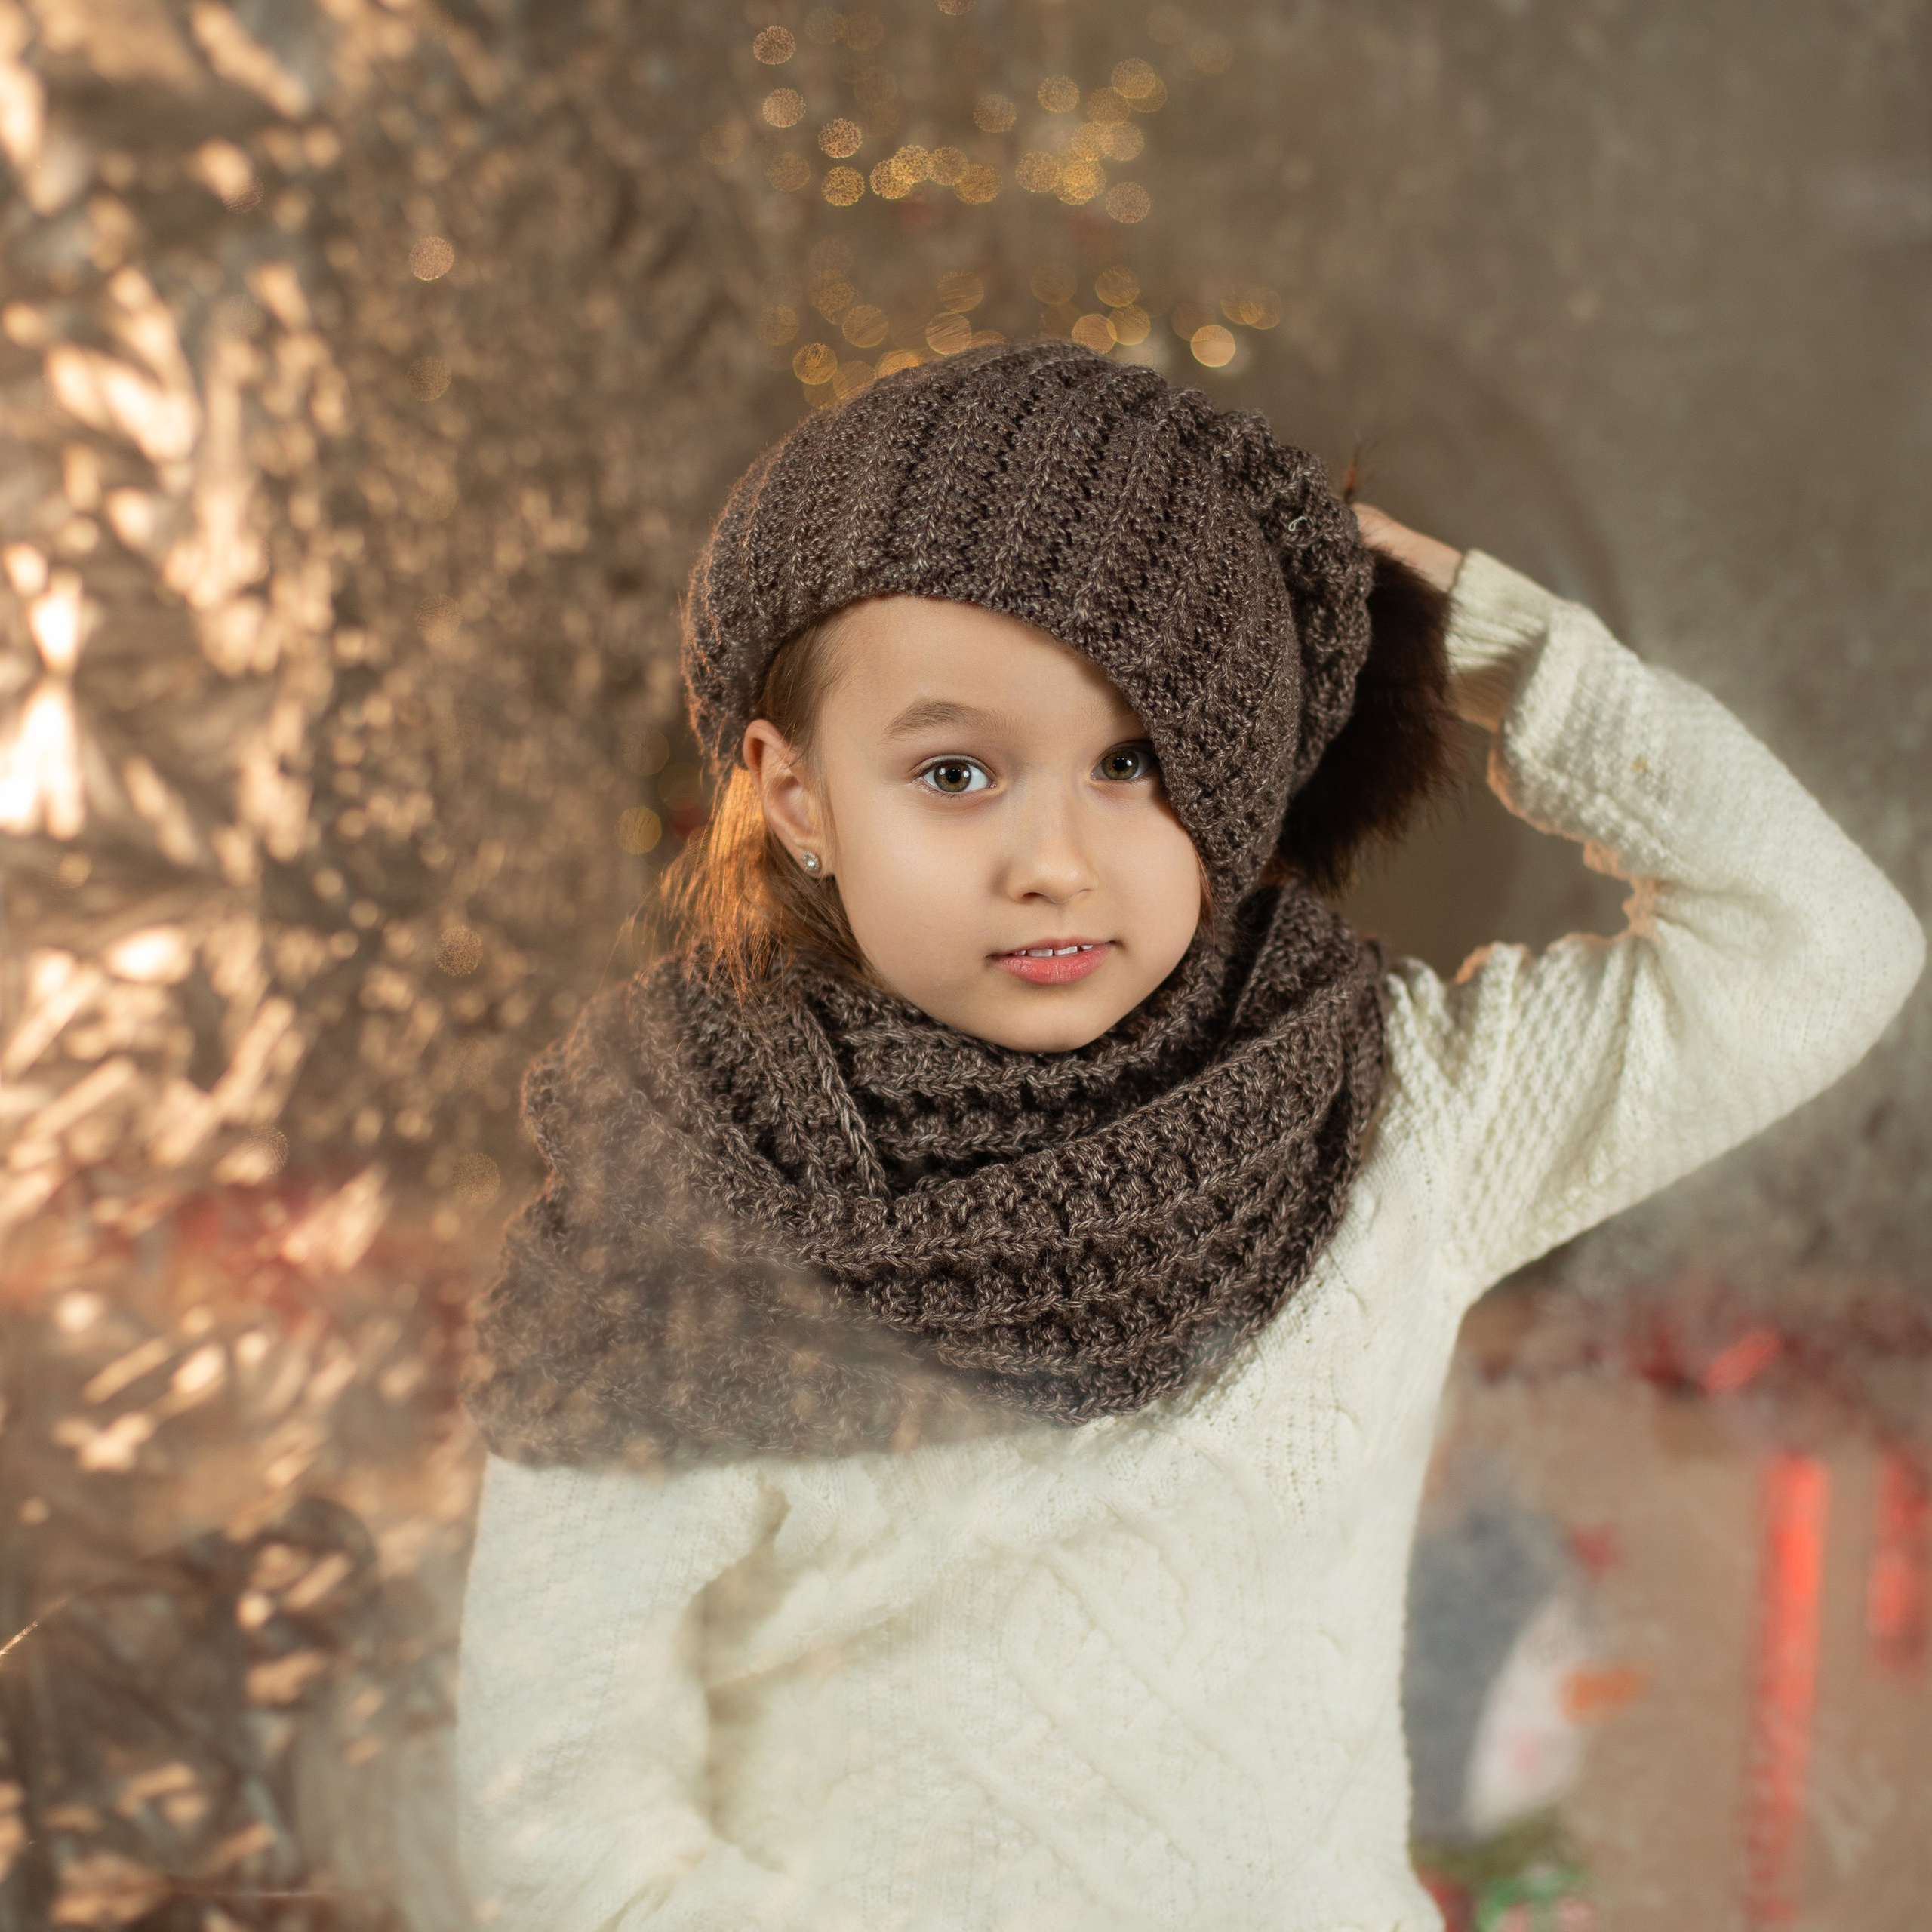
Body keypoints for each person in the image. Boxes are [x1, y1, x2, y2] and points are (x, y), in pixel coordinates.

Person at [452, 341, 1921, 1931]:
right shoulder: (690, 1220)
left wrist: (1450, 621)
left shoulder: (1387, 1119)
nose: (1056, 860)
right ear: (795, 792)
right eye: (956, 772)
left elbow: (1818, 943)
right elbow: (556, 1811)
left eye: (1135, 761)